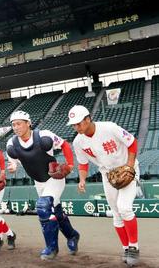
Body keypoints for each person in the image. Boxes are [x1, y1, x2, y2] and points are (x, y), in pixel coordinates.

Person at [68, 105, 140, 266]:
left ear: (88, 119)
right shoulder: (78, 142)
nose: (76, 127)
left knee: (125, 208)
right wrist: (82, 180)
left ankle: (134, 246)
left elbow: (132, 142)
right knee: (116, 213)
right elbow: (83, 164)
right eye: (73, 124)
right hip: (108, 175)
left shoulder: (109, 128)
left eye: (79, 123)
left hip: (129, 169)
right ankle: (126, 247)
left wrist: (129, 166)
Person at [6, 110, 80, 260]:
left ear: (28, 123)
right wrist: (13, 167)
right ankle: (72, 235)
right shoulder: (11, 144)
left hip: (54, 178)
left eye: (19, 123)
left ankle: (51, 248)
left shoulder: (44, 136)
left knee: (44, 206)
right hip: (38, 182)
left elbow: (65, 145)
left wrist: (71, 165)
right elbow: (13, 161)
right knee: (55, 211)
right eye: (13, 125)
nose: (16, 127)